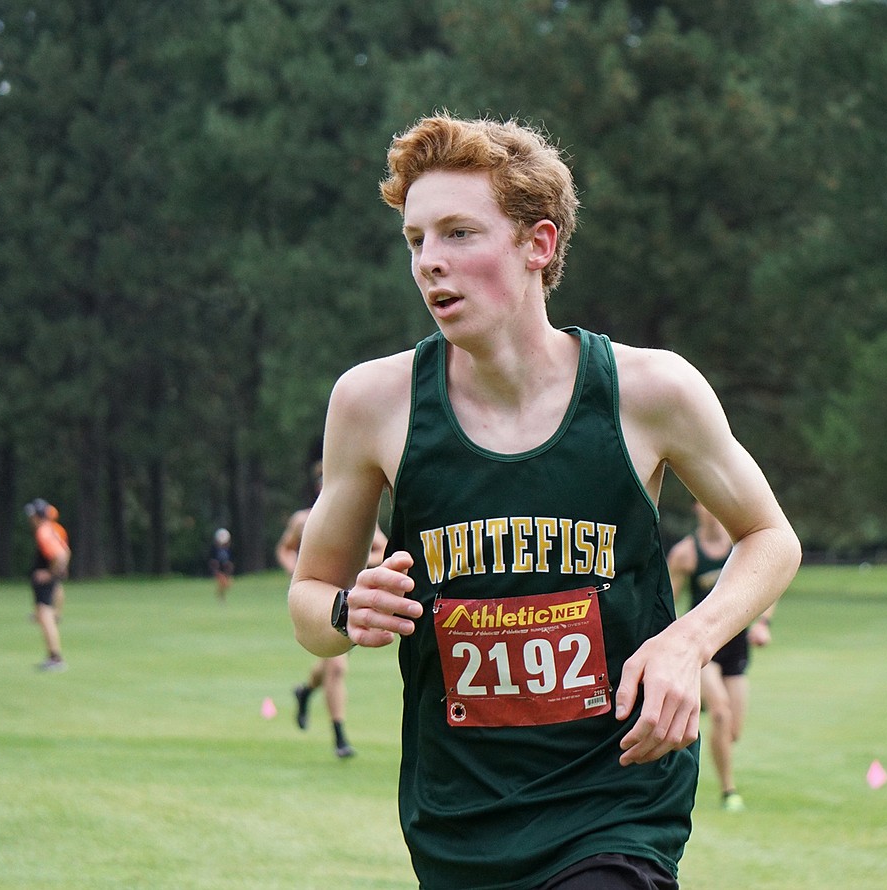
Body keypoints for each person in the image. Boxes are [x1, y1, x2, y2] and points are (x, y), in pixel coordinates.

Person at [288, 113, 801, 890]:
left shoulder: (649, 391)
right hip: (459, 817)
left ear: (539, 244)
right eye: (415, 240)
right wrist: (344, 614)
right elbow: (310, 600)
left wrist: (688, 642)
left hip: (616, 796)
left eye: (459, 233)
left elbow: (769, 536)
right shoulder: (373, 403)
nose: (430, 263)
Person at [667, 501, 776, 813]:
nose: (712, 511)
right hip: (705, 649)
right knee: (721, 714)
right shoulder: (685, 554)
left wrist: (763, 624)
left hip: (736, 647)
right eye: (704, 505)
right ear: (696, 509)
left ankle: (693, 704)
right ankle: (729, 791)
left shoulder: (740, 549)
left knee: (733, 731)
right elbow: (666, 602)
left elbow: (769, 586)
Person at [277, 471, 388, 758]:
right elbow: (285, 549)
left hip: (354, 600)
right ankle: (340, 738)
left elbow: (383, 549)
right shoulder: (304, 520)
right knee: (336, 668)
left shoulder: (361, 518)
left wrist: (363, 559)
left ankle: (304, 691)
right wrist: (298, 570)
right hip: (323, 602)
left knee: (326, 666)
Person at [25, 498, 71, 671]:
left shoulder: (43, 532)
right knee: (46, 613)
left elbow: (60, 554)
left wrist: (50, 573)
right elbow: (65, 552)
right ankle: (54, 656)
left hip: (44, 580)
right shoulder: (52, 529)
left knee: (45, 615)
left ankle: (55, 657)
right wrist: (59, 570)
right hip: (50, 578)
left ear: (38, 516)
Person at [209, 528, 234, 601]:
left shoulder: (228, 549)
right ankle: (221, 597)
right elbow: (212, 561)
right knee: (223, 583)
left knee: (228, 585)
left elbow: (229, 561)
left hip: (225, 570)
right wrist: (215, 571)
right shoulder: (214, 549)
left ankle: (220, 595)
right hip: (218, 570)